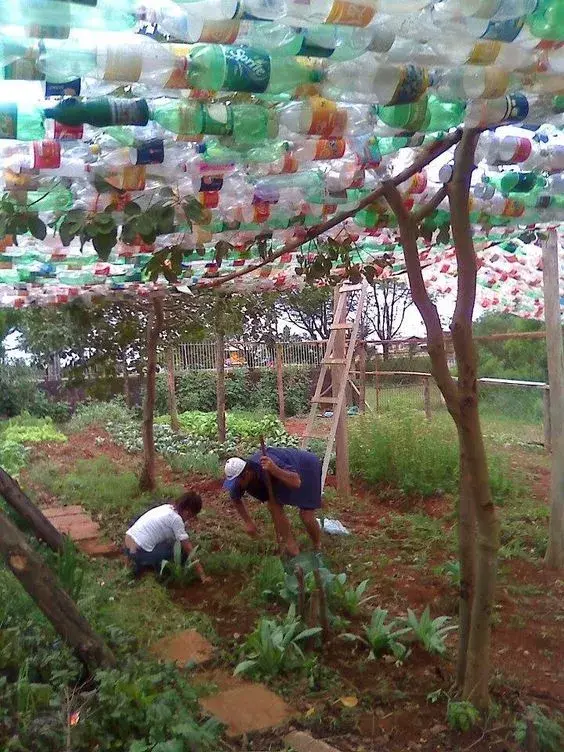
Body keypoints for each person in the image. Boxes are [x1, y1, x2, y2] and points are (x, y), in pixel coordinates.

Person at [223, 447, 322, 557]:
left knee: (306, 516)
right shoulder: (240, 479)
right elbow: (235, 498)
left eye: (237, 481)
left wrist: (274, 469)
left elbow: (296, 482)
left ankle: (317, 546)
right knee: (273, 506)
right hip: (282, 476)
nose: (236, 485)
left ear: (247, 473)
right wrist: (248, 522)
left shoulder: (268, 463)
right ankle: (292, 548)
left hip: (305, 467)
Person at [124, 491, 208, 581]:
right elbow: (188, 548)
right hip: (139, 552)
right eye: (192, 516)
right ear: (187, 512)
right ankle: (145, 567)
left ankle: (131, 561)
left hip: (128, 543)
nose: (190, 519)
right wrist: (202, 574)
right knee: (181, 553)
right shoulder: (176, 519)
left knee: (169, 545)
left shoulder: (167, 507)